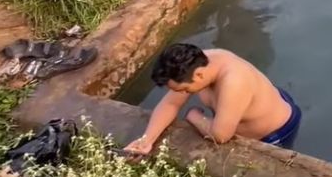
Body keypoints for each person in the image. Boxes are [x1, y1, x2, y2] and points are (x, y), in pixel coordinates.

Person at [124, 44, 302, 154]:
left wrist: (193, 116)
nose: (183, 94)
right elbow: (170, 103)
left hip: (275, 130)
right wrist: (146, 140)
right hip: (263, 99)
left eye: (185, 90)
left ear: (199, 75)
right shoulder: (197, 63)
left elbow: (221, 135)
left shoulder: (233, 81)